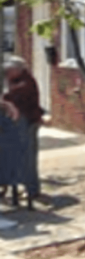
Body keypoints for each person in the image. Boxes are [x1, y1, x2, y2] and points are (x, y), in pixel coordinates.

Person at [3, 55, 43, 203]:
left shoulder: (26, 82)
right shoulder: (14, 80)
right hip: (19, 123)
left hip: (29, 122)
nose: (7, 73)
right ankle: (20, 186)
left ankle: (32, 190)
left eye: (9, 70)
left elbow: (12, 96)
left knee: (28, 156)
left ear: (18, 69)